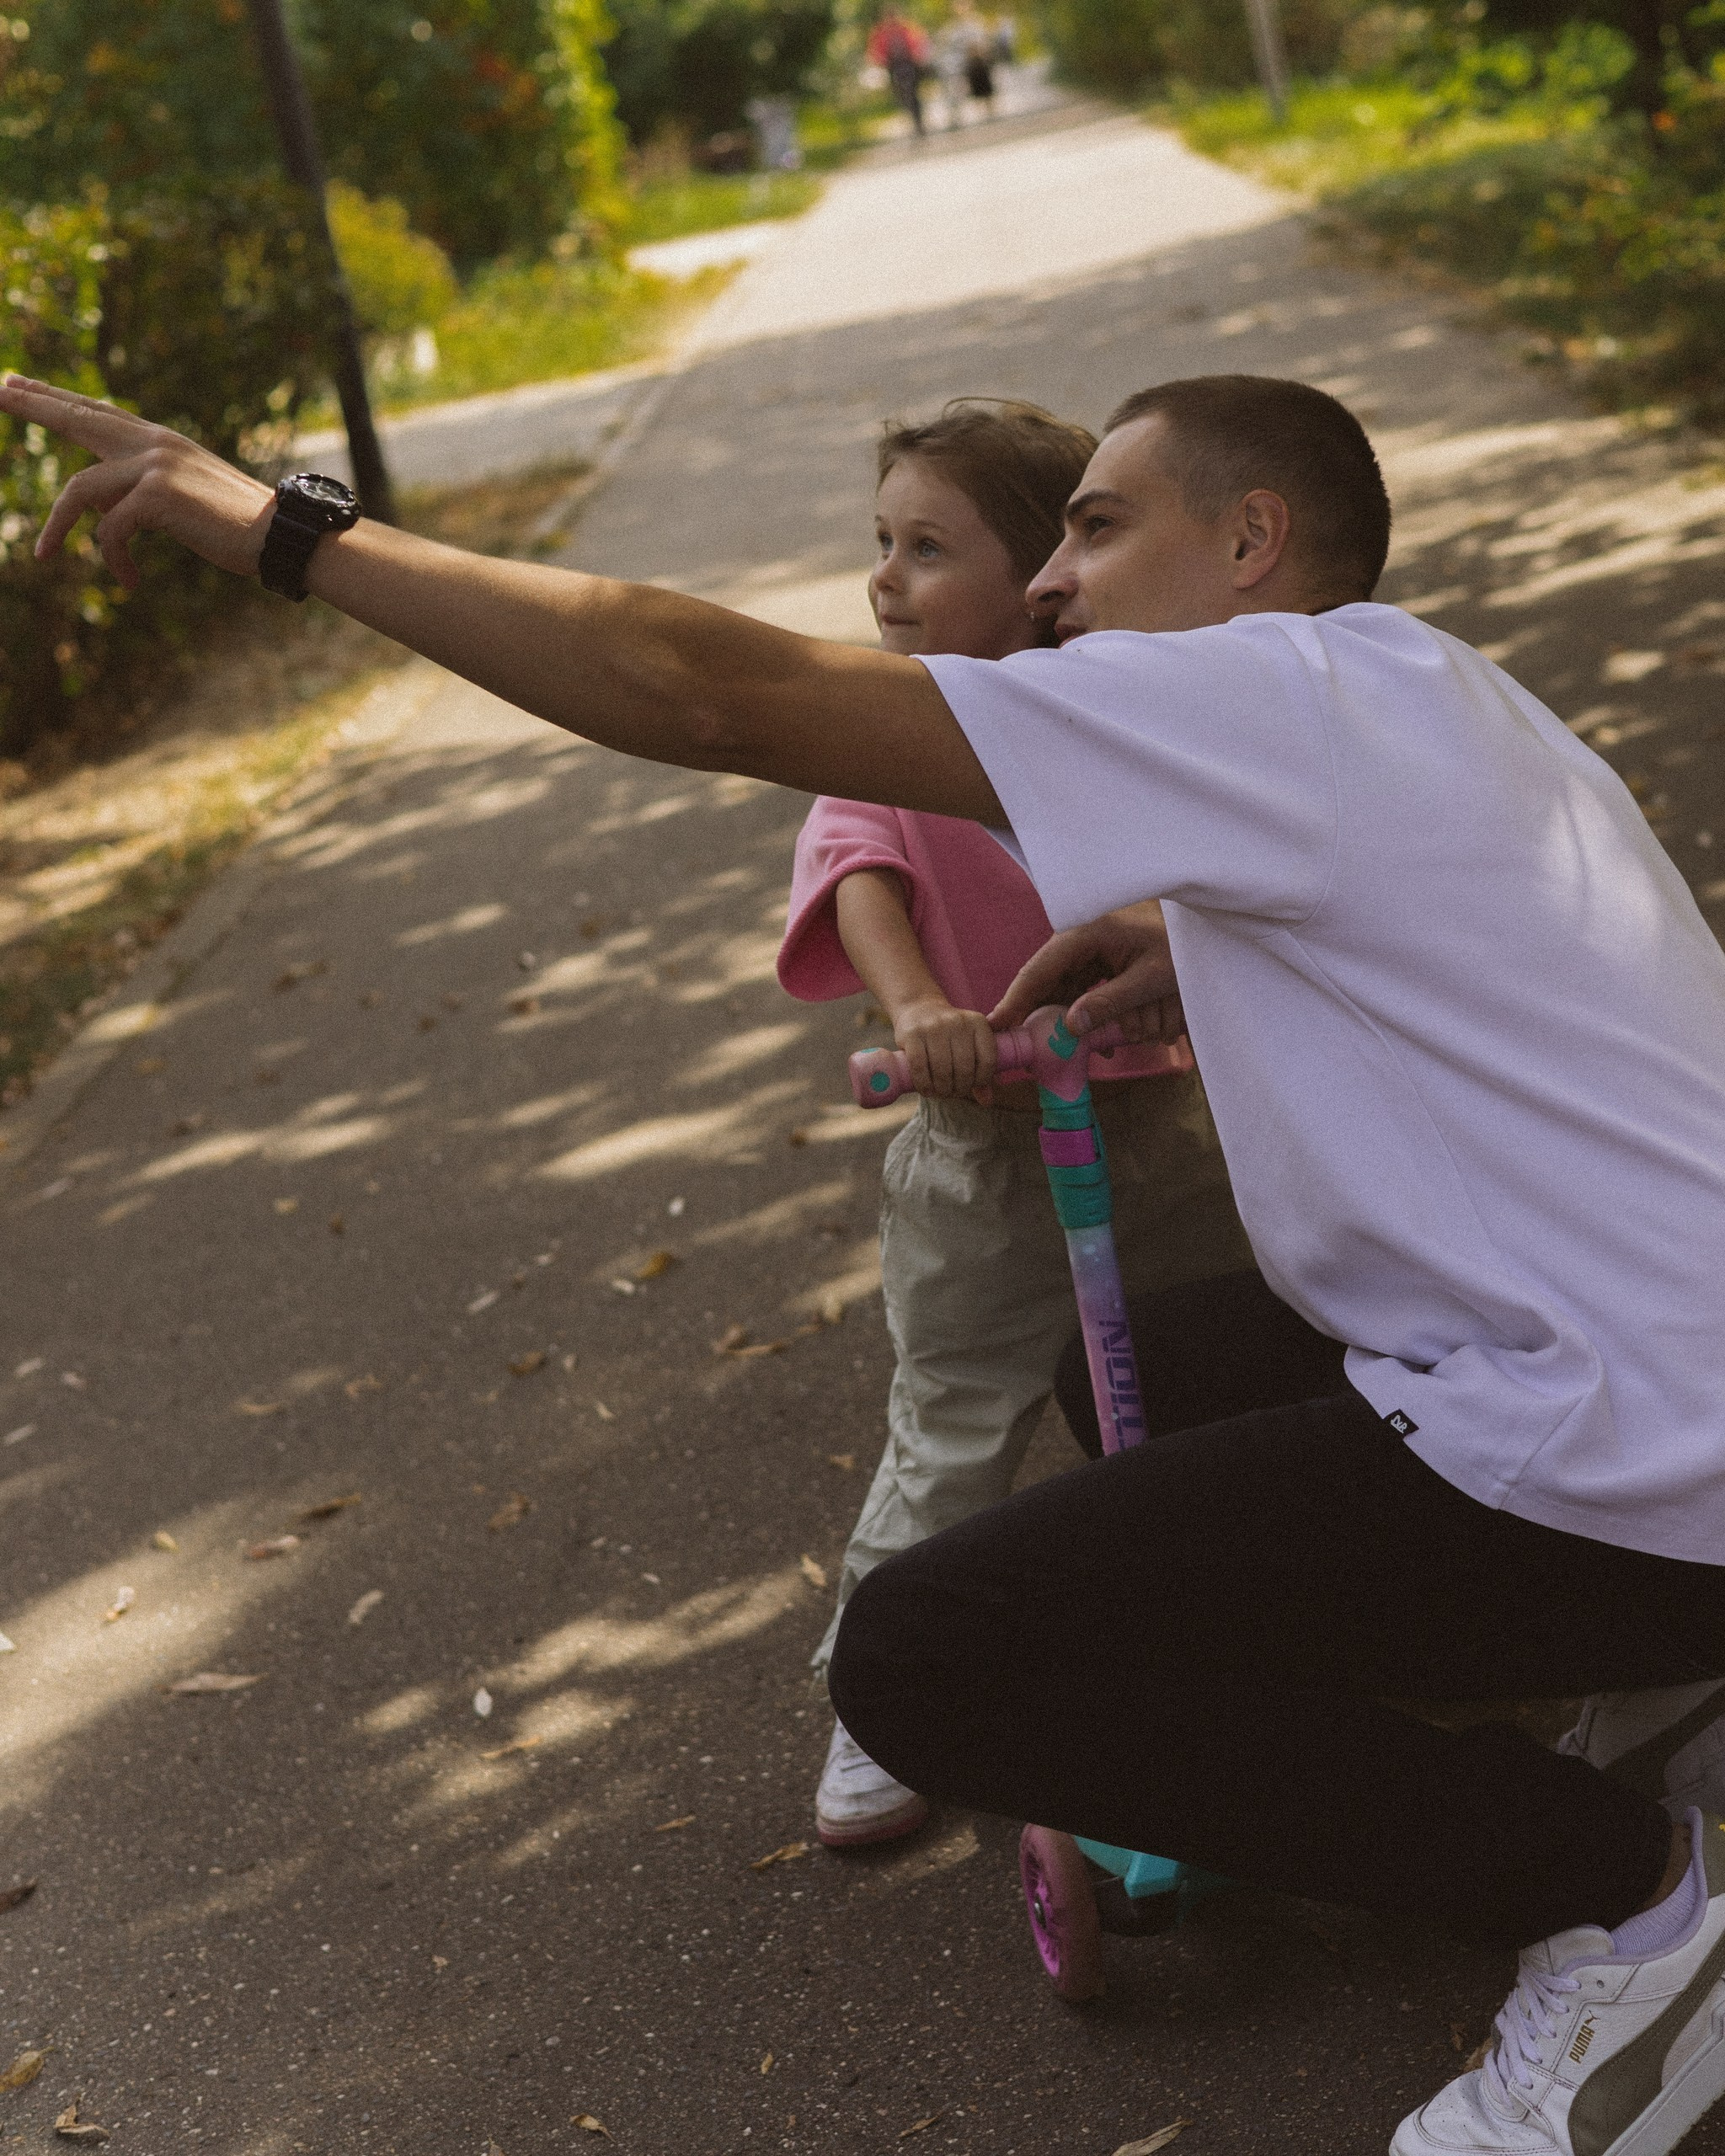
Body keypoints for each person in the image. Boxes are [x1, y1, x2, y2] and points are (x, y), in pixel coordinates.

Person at [9, 364, 1725, 2156]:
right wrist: (1193, 944)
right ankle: (1653, 1677)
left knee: (925, 1661)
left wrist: (280, 529)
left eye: (1095, 525)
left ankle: (1625, 1902)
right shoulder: (1422, 691)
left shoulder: (1263, 692)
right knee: (1135, 1367)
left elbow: (702, 686)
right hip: (1671, 1382)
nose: (1047, 580)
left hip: (1634, 1453)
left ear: (1250, 542)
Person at [777, 399, 1249, 1847]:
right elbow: (857, 862)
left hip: (1168, 1127)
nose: (885, 578)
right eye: (882, 543)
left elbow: (1205, 856)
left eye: (928, 549)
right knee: (953, 1426)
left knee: (1216, 1401)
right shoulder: (892, 728)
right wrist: (922, 1007)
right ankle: (879, 1695)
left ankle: (1251, 1639)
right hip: (986, 1157)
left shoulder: (1114, 715)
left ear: (1043, 570)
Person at [866, 8, 930, 137]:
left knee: (913, 93)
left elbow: (919, 43)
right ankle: (912, 122)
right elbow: (875, 52)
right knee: (902, 95)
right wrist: (882, 61)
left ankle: (918, 124)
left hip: (910, 64)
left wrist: (918, 57)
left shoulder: (907, 29)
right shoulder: (881, 33)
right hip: (893, 67)